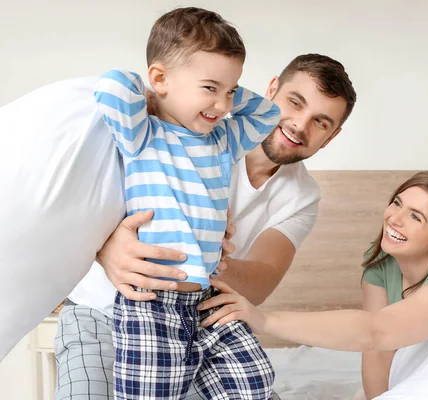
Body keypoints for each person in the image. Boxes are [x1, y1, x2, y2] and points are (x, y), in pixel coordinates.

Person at [54, 52, 357, 399]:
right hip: (101, 311)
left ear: (331, 136)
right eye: (294, 102)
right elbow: (75, 208)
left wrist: (207, 248)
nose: (299, 125)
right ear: (271, 89)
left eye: (321, 122)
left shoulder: (301, 195)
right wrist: (108, 249)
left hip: (196, 319)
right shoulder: (178, 125)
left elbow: (258, 285)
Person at [93, 7, 282, 399]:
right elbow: (111, 86)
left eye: (230, 91)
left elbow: (268, 112)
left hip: (208, 296)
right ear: (160, 78)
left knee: (253, 380)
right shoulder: (142, 134)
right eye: (210, 88)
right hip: (152, 302)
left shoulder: (222, 141)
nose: (224, 105)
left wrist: (221, 85)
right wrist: (153, 96)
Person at [194, 171, 428, 400]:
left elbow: (375, 330)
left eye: (415, 217)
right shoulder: (382, 264)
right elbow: (375, 350)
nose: (394, 218)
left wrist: (264, 319)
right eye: (397, 203)